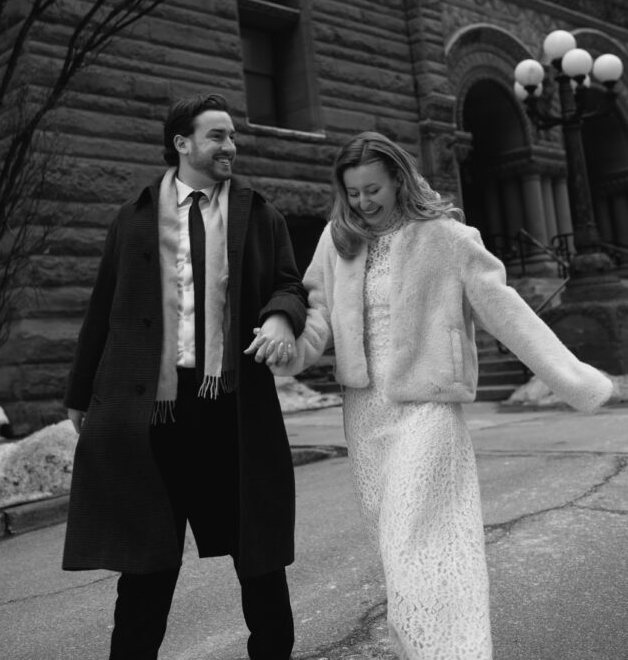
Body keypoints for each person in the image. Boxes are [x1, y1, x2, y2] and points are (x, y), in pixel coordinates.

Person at [247, 131, 613, 660]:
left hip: (427, 405)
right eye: (352, 193)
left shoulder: (446, 236)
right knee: (397, 549)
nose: (362, 202)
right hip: (365, 411)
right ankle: (420, 647)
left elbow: (507, 312)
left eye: (372, 189)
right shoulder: (338, 239)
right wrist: (291, 348)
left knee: (419, 538)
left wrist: (573, 379)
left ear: (398, 178)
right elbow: (319, 313)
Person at [63, 92, 306, 660]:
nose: (231, 146)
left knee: (260, 557)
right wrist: (79, 394)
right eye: (218, 136)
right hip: (157, 413)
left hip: (233, 408)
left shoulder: (260, 213)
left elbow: (290, 285)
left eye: (232, 136)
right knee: (146, 563)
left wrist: (279, 316)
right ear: (183, 143)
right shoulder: (134, 217)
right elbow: (103, 307)